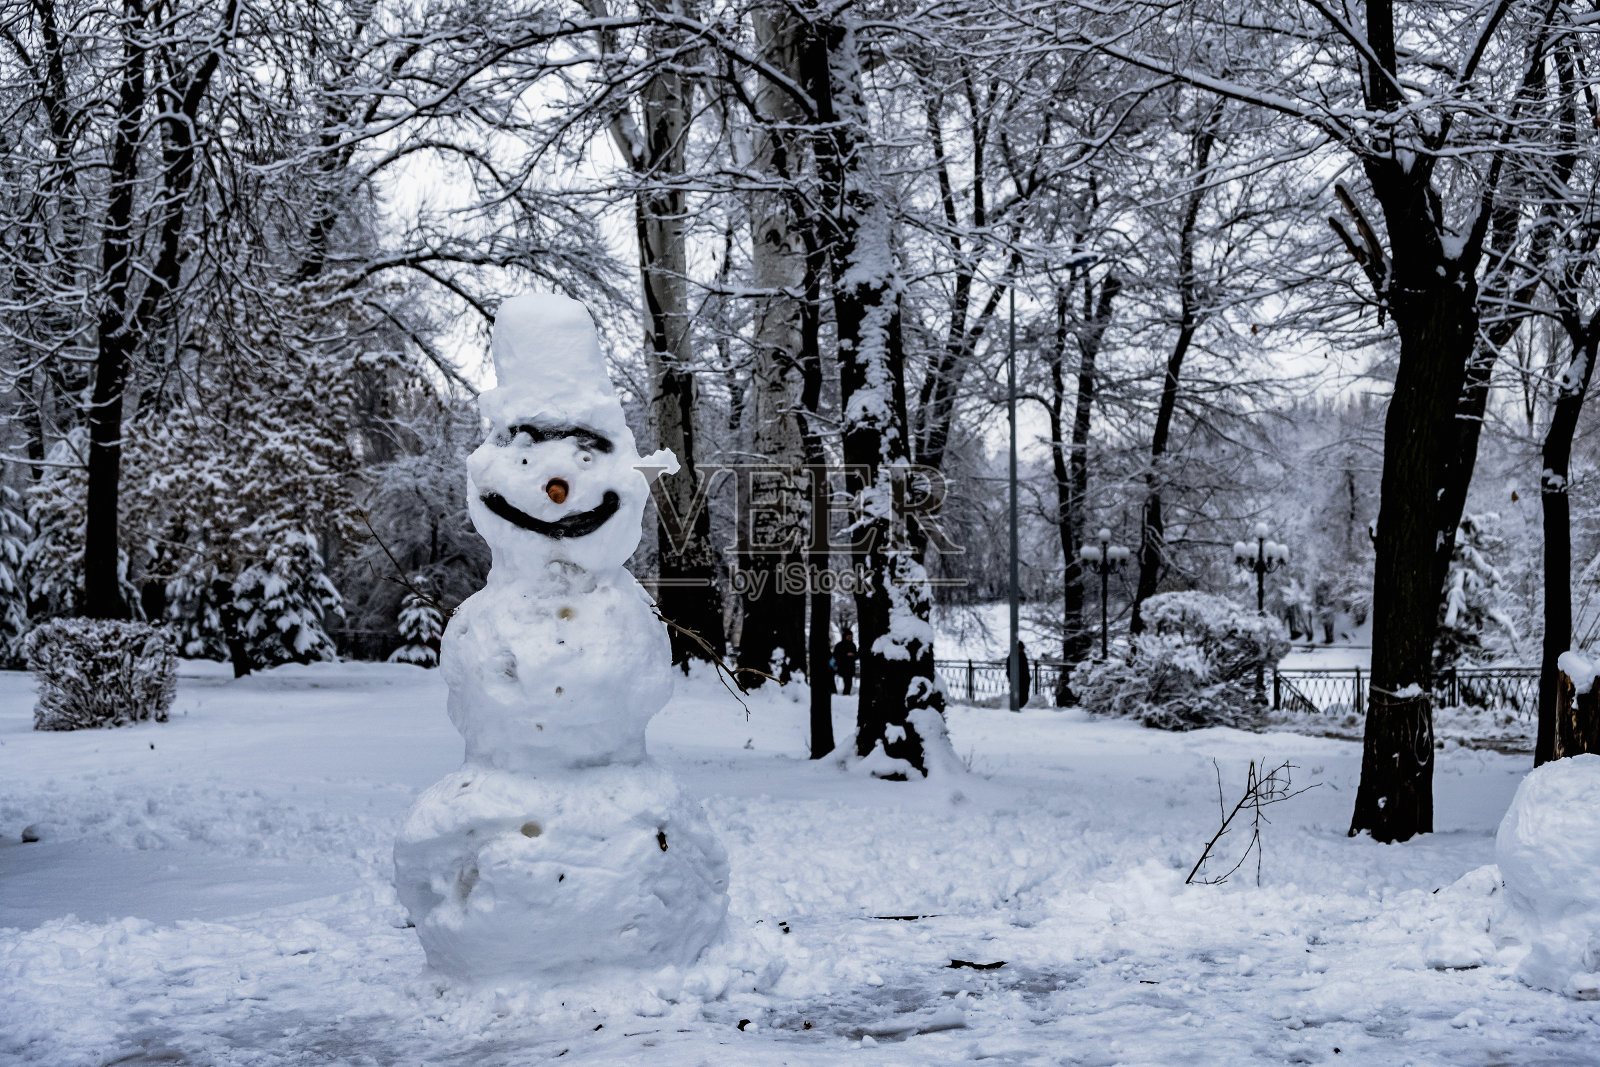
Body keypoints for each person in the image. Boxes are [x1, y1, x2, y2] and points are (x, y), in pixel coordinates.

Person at [832, 626, 858, 695]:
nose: (850, 638)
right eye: (848, 636)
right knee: (847, 682)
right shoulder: (839, 645)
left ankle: (846, 695)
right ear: (844, 636)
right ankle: (844, 695)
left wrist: (854, 655)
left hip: (850, 667)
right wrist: (846, 655)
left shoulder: (853, 645)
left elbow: (855, 656)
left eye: (851, 636)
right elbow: (835, 656)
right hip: (842, 667)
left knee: (848, 683)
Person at [1007, 640, 1031, 708]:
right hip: (1018, 680)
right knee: (1018, 696)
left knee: (1024, 696)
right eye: (1021, 649)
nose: (1022, 650)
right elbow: (1009, 669)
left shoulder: (1022, 656)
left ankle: (1021, 708)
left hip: (1024, 680)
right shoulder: (1013, 657)